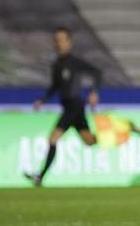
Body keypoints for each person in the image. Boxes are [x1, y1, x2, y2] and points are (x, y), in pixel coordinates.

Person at [24, 27, 101, 186]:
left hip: (75, 105)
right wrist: (43, 100)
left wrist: (94, 92)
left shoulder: (75, 62)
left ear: (69, 42)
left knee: (52, 139)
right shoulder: (57, 65)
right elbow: (55, 86)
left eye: (62, 40)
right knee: (90, 141)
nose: (58, 43)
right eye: (56, 40)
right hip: (70, 108)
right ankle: (113, 134)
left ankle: (40, 177)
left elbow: (97, 72)